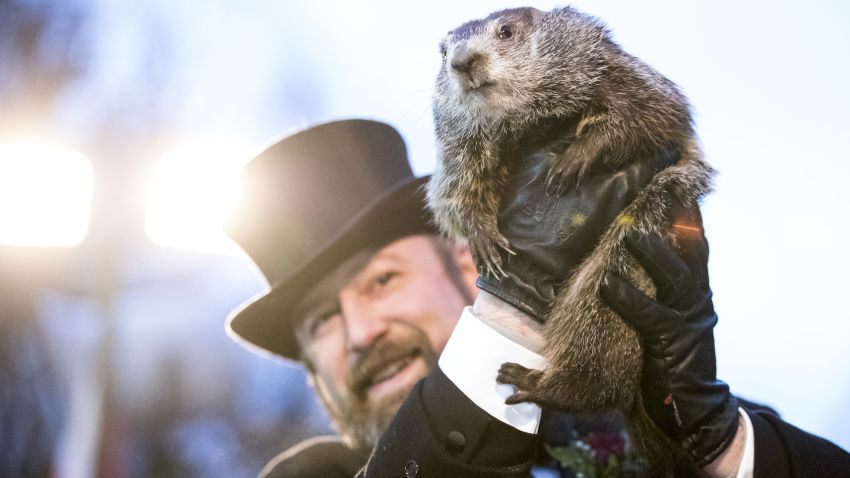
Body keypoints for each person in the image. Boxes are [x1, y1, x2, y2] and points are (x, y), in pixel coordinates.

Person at [224, 119, 850, 477]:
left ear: (468, 266)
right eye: (322, 321)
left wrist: (718, 446)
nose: (361, 332)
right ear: (311, 375)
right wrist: (511, 317)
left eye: (383, 280)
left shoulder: (643, 426)